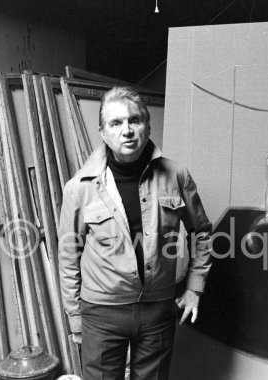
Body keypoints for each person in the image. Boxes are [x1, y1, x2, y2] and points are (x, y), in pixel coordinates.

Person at [58, 86, 212, 380]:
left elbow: (202, 233)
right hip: (102, 314)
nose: (126, 130)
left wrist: (194, 288)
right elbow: (68, 255)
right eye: (116, 123)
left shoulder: (176, 176)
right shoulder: (80, 187)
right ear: (102, 132)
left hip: (157, 310)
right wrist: (76, 317)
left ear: (147, 125)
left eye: (135, 120)